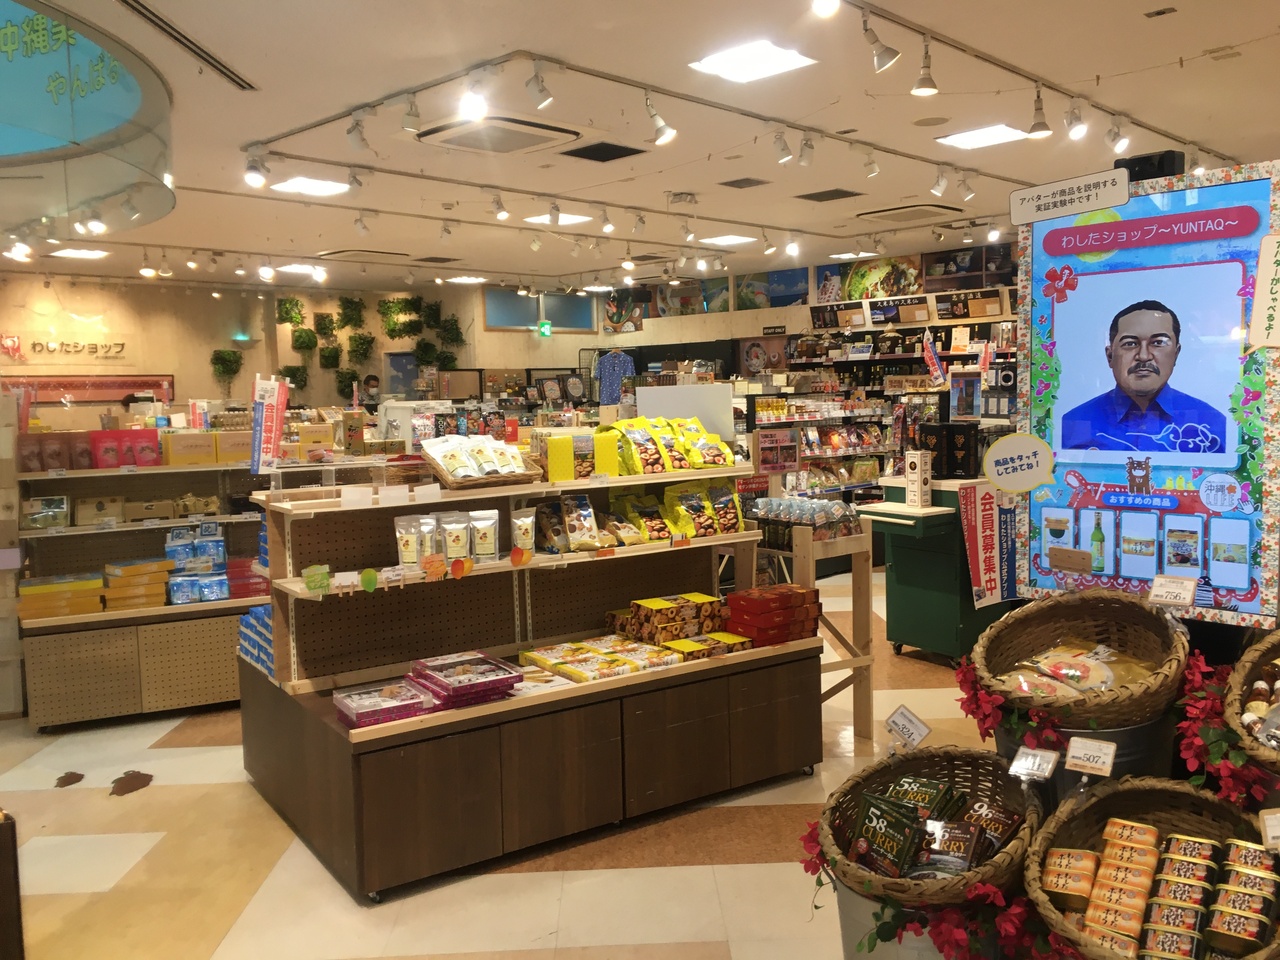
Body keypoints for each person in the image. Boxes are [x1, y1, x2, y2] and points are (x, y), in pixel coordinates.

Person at [1060, 299, 1226, 453]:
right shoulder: (1072, 423)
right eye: (1130, 344)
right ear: (1110, 356)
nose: (1144, 356)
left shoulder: (1212, 424)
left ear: (1176, 354)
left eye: (1158, 343)